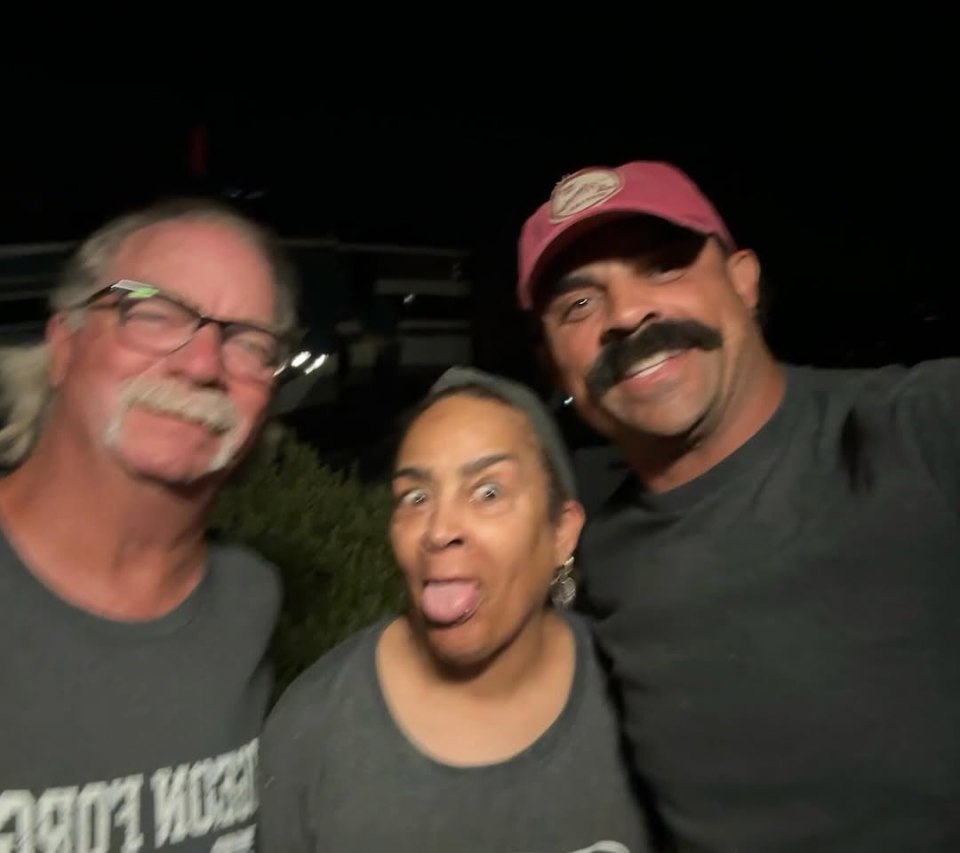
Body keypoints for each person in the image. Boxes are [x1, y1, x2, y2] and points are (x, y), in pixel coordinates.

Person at [516, 160, 960, 852]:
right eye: (579, 304)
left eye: (663, 266)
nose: (628, 314)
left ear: (744, 281)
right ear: (554, 364)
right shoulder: (600, 561)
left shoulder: (919, 429)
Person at [0, 198, 299, 852]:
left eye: (249, 342)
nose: (201, 365)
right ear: (64, 344)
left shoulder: (251, 602)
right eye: (154, 311)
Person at [257, 367, 653, 853]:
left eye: (489, 492)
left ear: (561, 533)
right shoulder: (312, 727)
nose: (439, 529)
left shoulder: (644, 695)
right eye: (416, 497)